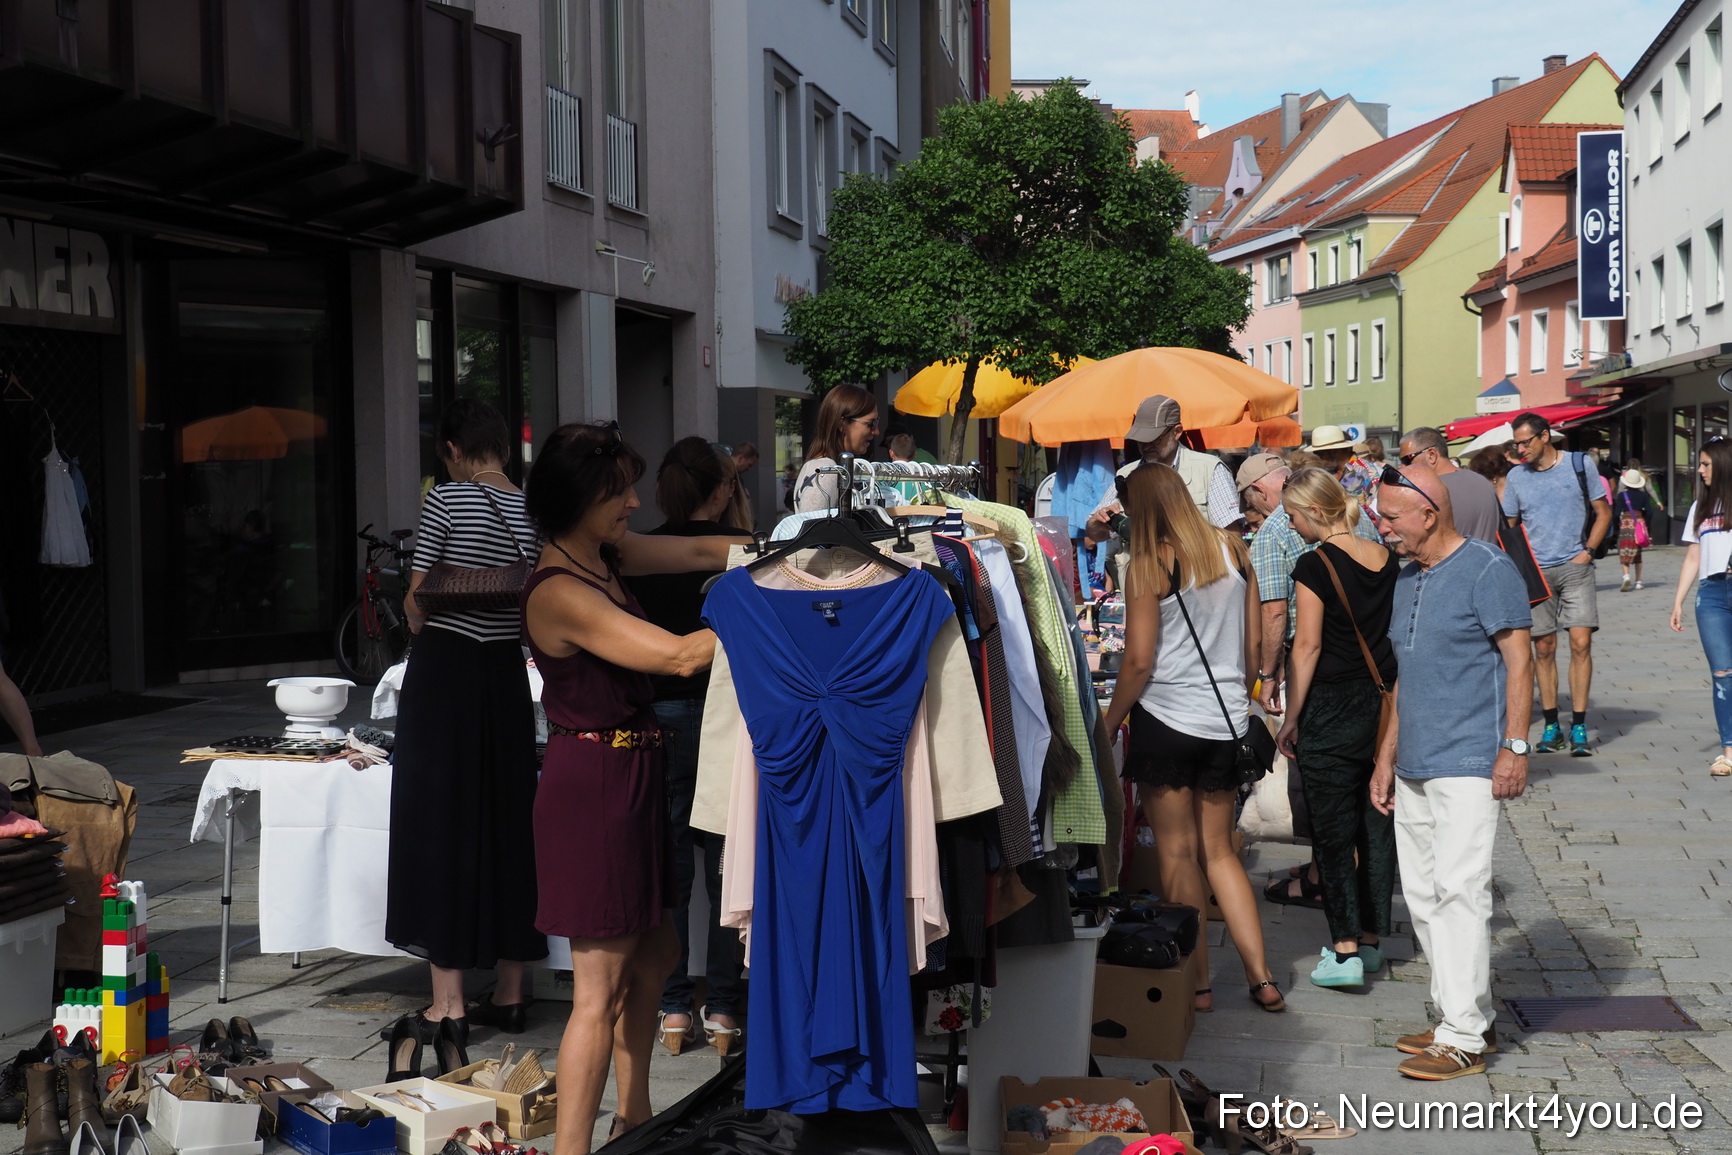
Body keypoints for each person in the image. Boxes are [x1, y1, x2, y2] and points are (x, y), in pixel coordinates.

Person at [522, 421, 749, 1153]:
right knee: (598, 990)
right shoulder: (557, 587)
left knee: (654, 956)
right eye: (619, 490)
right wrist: (781, 612)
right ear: (579, 498)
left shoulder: (604, 554)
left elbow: (697, 547)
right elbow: (680, 656)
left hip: (637, 771)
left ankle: (636, 1117)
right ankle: (573, 1149)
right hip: (593, 785)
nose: (632, 501)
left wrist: (786, 552)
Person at [387, 399, 546, 1066]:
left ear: (453, 449)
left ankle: (447, 1002)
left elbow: (420, 608)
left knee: (439, 824)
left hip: (446, 676)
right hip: (505, 677)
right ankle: (510, 987)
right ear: (505, 449)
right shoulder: (533, 512)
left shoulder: (446, 501)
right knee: (507, 819)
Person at [1101, 462, 1285, 1015]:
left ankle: (1198, 985)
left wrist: (1106, 725)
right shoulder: (1235, 552)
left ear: (1143, 508)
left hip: (1167, 719)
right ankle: (1263, 978)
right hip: (1228, 721)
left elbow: (1137, 663)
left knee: (1177, 856)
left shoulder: (1147, 564)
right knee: (1221, 856)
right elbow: (1254, 651)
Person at [1371, 464, 1533, 1081]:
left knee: (1462, 891)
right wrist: (1387, 755)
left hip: (1469, 758)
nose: (1382, 527)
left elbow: (1520, 662)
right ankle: (1457, 1016)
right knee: (1422, 896)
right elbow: (1402, 678)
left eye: (1391, 517)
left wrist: (1515, 746)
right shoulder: (1409, 578)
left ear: (1429, 513)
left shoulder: (1488, 571)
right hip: (1415, 758)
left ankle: (1463, 1037)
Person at [629, 439, 749, 1059]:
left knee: (672, 871)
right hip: (728, 715)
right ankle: (725, 1007)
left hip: (662, 715)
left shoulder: (635, 551)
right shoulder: (746, 554)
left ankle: (674, 1010)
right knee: (730, 865)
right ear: (724, 488)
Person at [1274, 468, 1398, 990]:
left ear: (1316, 512)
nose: (1292, 523)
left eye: (1294, 515)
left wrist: (1291, 715)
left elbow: (1307, 646)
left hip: (1330, 705)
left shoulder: (1315, 564)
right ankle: (1370, 940)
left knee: (1331, 832)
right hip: (1383, 701)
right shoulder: (1388, 559)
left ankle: (1343, 948)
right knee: (1375, 824)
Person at [1240, 453, 1380, 908]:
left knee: (1320, 784)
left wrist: (1269, 677)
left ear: (1262, 491)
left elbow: (1277, 614)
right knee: (1359, 780)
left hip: (1320, 673)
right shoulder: (1359, 518)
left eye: (1249, 505)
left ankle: (1329, 884)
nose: (1253, 514)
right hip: (1373, 671)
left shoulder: (1277, 532)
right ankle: (1340, 873)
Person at [1500, 411, 1611, 757]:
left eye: (1525, 441)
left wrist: (1588, 552)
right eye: (1516, 443)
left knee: (1581, 643)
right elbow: (1509, 526)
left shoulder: (1579, 465)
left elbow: (1603, 512)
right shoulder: (1516, 476)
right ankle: (1551, 725)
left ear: (1544, 436)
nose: (1520, 449)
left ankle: (1578, 724)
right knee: (1543, 648)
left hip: (1576, 567)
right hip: (1536, 573)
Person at [1085, 395, 1242, 540]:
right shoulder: (1126, 474)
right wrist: (1098, 523)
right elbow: (1094, 535)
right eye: (1140, 439)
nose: (1146, 445)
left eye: (1155, 438)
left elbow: (1232, 537)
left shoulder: (1210, 469)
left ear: (1177, 432)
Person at [1669, 439, 1732, 778]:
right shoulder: (1701, 506)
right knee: (1722, 673)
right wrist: (1678, 600)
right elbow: (1693, 555)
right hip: (1711, 594)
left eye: (1706, 464)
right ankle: (1729, 751)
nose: (1700, 470)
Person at [1397, 428, 1500, 544]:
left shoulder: (1428, 492)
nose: (1404, 467)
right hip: (1490, 559)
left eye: (1407, 460)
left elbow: (1420, 546)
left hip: (1451, 561)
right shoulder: (1483, 482)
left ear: (1431, 455)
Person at [791, 383, 879, 513]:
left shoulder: (822, 467)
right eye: (871, 424)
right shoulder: (827, 471)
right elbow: (813, 530)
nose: (876, 431)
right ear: (842, 424)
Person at [1304, 425, 1378, 504]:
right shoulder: (1325, 472)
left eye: (1319, 454)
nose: (1318, 458)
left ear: (1333, 451)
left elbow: (1374, 504)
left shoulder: (1366, 471)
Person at [1616, 467, 1653, 591]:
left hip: (1626, 523)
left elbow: (1616, 513)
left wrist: (1617, 524)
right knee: (1638, 553)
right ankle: (1638, 582)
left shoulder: (1622, 495)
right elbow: (1649, 511)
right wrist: (1645, 523)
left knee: (1624, 550)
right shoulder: (1643, 496)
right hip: (1638, 523)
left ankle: (1626, 576)